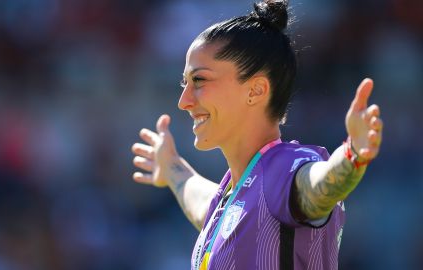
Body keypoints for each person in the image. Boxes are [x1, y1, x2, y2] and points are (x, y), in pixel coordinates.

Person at [131, 0, 383, 269]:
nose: (184, 101)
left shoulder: (283, 167)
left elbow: (318, 187)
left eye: (199, 80)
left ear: (256, 90)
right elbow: (204, 201)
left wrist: (351, 155)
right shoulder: (232, 196)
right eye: (185, 83)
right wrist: (172, 169)